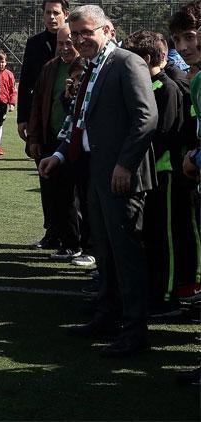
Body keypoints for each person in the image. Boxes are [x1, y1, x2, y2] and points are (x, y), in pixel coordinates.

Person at [39, 5, 158, 358]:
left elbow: (146, 118)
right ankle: (107, 318)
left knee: (127, 257)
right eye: (75, 35)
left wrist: (125, 165)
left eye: (87, 32)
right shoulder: (94, 67)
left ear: (108, 29)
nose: (80, 40)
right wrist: (59, 154)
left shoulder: (126, 62)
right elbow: (80, 123)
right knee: (105, 253)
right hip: (97, 174)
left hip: (123, 178)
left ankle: (135, 332)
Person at [123, 30, 188, 318]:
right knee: (150, 234)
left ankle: (168, 296)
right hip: (148, 173)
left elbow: (166, 134)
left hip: (165, 172)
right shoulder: (147, 85)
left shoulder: (168, 88)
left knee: (166, 237)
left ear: (146, 58)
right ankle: (154, 288)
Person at [27, 26, 85, 261]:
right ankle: (60, 237)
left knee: (74, 196)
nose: (64, 48)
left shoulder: (87, 67)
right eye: (60, 43)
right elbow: (38, 104)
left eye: (69, 42)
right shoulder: (50, 68)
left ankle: (78, 243)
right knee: (55, 194)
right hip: (52, 139)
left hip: (77, 141)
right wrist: (34, 138)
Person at [168, 0, 201, 307]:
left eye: (190, 36)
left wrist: (196, 157)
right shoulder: (193, 76)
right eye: (178, 39)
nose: (184, 46)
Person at [17, 0, 69, 144]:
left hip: (68, 115)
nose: (51, 17)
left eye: (56, 13)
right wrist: (22, 117)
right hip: (40, 114)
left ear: (66, 14)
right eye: (48, 12)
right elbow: (26, 82)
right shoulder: (34, 43)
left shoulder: (77, 42)